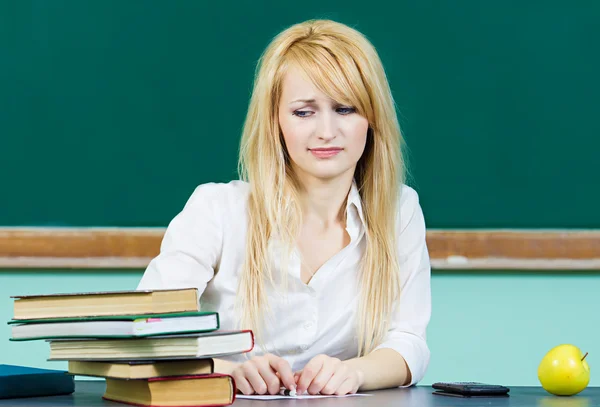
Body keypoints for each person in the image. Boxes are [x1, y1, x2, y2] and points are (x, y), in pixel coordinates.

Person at [137, 19, 431, 396]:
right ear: (275, 121)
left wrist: (355, 373)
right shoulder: (217, 210)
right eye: (303, 112)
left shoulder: (399, 210)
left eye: (345, 109)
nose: (326, 131)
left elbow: (408, 341)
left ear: (371, 119)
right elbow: (146, 331)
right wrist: (225, 370)